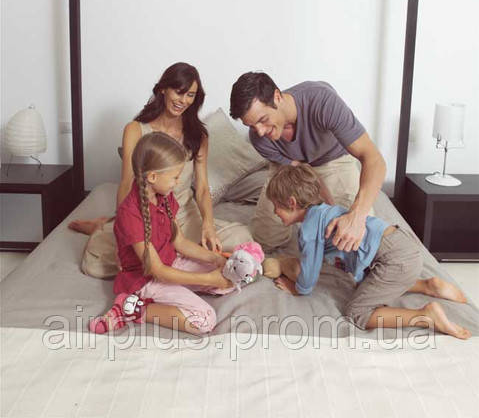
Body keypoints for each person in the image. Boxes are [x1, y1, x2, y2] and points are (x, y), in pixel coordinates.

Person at [71, 62, 252, 277]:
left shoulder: (198, 135)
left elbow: (203, 188)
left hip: (183, 216)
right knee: (94, 265)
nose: (183, 100)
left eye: (190, 95)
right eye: (179, 92)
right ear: (163, 88)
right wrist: (122, 229)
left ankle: (169, 253)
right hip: (145, 217)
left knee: (242, 238)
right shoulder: (135, 130)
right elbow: (127, 183)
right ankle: (106, 226)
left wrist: (208, 225)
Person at [264, 164, 470, 339]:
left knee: (357, 313)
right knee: (368, 281)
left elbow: (309, 273)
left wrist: (298, 288)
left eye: (276, 207)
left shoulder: (309, 227)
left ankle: (425, 316)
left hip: (393, 259)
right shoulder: (327, 211)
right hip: (401, 242)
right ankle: (428, 285)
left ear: (292, 203)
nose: (274, 212)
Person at [89, 132, 233, 335]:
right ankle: (133, 309)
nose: (178, 182)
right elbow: (157, 271)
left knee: (229, 277)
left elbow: (180, 242)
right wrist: (209, 279)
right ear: (153, 177)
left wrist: (215, 259)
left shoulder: (164, 196)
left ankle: (194, 283)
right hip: (147, 279)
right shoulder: (130, 213)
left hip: (171, 263)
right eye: (175, 177)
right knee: (205, 319)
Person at [230, 72, 386, 252]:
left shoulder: (322, 101)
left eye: (263, 120)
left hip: (333, 160)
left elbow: (374, 159)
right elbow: (299, 170)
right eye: (251, 126)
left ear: (277, 97)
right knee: (264, 238)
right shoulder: (259, 138)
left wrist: (355, 215)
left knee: (362, 237)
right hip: (291, 169)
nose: (260, 131)